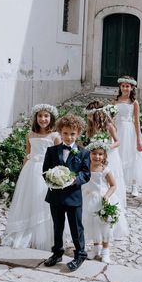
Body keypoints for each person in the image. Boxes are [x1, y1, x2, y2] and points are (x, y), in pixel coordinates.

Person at [2, 104, 60, 251]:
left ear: (51, 118)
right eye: (40, 116)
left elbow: (58, 158)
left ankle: (42, 236)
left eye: (46, 116)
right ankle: (26, 230)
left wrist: (57, 175)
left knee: (42, 201)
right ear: (36, 118)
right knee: (28, 200)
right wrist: (22, 172)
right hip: (31, 171)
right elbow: (27, 155)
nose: (43, 119)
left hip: (46, 172)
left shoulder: (55, 136)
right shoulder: (30, 135)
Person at [42, 114, 91, 271]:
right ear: (60, 132)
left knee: (76, 227)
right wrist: (52, 180)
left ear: (78, 134)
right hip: (55, 196)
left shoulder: (83, 153)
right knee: (58, 226)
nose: (69, 137)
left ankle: (80, 254)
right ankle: (57, 252)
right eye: (65, 133)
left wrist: (74, 180)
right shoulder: (52, 151)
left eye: (72, 134)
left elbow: (86, 173)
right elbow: (45, 171)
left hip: (73, 197)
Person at [85, 101, 130, 239]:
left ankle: (112, 205)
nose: (89, 118)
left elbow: (117, 141)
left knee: (110, 180)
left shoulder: (109, 126)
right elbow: (88, 142)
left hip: (109, 155)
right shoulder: (90, 128)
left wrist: (107, 147)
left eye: (91, 115)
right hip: (95, 158)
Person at [82, 141, 127, 264]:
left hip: (103, 199)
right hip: (90, 199)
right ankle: (96, 247)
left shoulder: (105, 169)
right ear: (89, 154)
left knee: (105, 225)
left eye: (100, 154)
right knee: (93, 224)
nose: (97, 156)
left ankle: (106, 250)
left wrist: (107, 196)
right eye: (94, 153)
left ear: (105, 156)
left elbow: (113, 185)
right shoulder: (85, 167)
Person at [114, 76, 142, 196]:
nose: (125, 88)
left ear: (132, 88)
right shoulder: (116, 100)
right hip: (118, 130)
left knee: (133, 156)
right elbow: (112, 118)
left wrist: (138, 138)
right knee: (118, 156)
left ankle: (134, 185)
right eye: (123, 86)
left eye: (127, 86)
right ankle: (119, 183)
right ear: (120, 87)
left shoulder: (134, 103)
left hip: (129, 131)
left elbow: (137, 121)